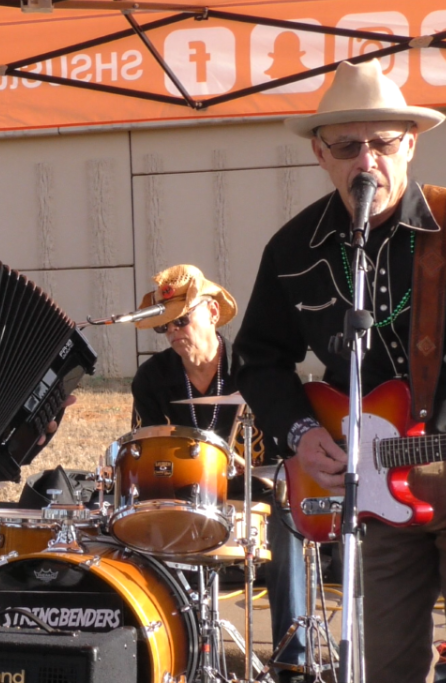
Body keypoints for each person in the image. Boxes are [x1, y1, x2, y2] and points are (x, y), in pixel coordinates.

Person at [235, 58, 446, 683]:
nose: (365, 161)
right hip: (367, 480)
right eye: (346, 145)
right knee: (386, 665)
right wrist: (297, 433)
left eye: (381, 143)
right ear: (320, 153)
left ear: (410, 144)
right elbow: (257, 358)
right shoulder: (293, 251)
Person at [129, 264, 306, 680]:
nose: (173, 333)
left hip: (257, 493)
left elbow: (288, 445)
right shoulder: (152, 379)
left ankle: (291, 661)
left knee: (287, 524)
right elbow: (149, 453)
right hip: (185, 494)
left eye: (181, 320)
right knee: (148, 526)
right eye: (165, 327)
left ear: (211, 312)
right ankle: (178, 653)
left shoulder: (256, 366)